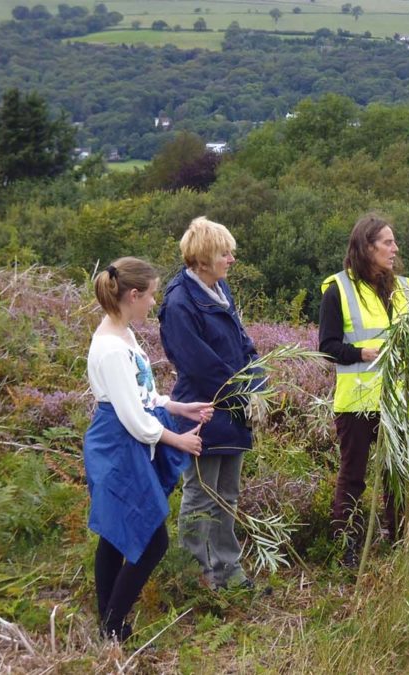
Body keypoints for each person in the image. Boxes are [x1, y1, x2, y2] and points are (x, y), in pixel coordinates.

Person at [319, 213, 409, 567]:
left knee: (397, 476)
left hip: (397, 402)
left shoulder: (404, 289)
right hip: (357, 402)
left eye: (393, 242)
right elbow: (327, 346)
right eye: (387, 242)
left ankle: (401, 544)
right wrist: (359, 353)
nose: (395, 248)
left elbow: (408, 338)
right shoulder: (339, 289)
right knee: (353, 477)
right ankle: (347, 549)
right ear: (367, 247)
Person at [84, 257, 211, 641]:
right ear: (133, 295)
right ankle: (112, 624)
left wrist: (176, 406)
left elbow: (143, 395)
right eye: (151, 296)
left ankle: (109, 625)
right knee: (152, 539)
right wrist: (180, 440)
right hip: (118, 444)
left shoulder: (124, 335)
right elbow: (133, 419)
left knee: (115, 533)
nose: (154, 303)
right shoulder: (109, 347)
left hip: (127, 441)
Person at [159, 217, 261, 590]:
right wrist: (242, 393)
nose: (231, 259)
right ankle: (196, 577)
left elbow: (243, 344)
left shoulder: (221, 290)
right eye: (224, 252)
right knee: (202, 495)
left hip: (233, 410)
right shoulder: (179, 303)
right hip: (203, 410)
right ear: (202, 258)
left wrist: (258, 382)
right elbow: (198, 364)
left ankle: (228, 572)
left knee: (227, 494)